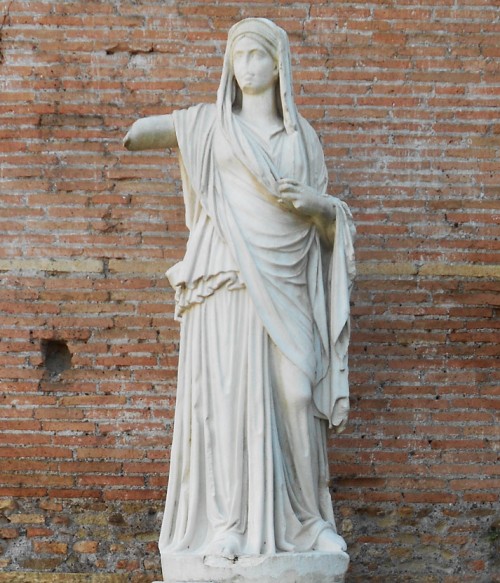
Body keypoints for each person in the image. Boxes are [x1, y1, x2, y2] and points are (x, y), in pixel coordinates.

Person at [124, 17, 355, 561]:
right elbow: (137, 134)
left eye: (257, 56)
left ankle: (312, 521)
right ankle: (228, 522)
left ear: (279, 66)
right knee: (228, 402)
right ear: (229, 67)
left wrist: (321, 209)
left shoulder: (304, 140)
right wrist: (176, 126)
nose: (247, 66)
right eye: (238, 56)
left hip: (289, 280)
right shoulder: (212, 126)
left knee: (299, 395)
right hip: (227, 275)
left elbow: (328, 231)